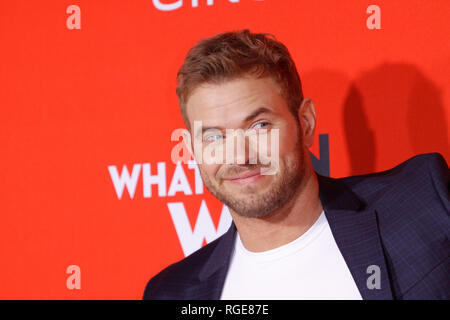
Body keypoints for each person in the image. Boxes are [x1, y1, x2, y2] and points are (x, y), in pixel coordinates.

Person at [143, 29, 449, 300]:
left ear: (305, 123)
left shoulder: (423, 203)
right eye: (213, 137)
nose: (239, 156)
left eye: (259, 126)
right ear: (190, 149)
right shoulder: (172, 291)